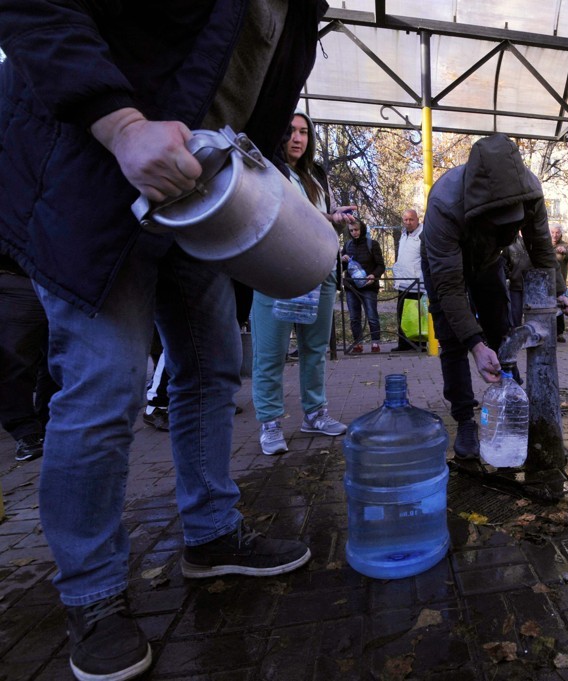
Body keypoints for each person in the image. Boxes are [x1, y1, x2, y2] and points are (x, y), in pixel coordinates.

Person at [0, 3, 328, 679]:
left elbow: (259, 112)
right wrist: (121, 125)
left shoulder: (300, 10)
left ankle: (211, 532)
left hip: (199, 189)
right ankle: (92, 593)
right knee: (107, 377)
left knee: (212, 363)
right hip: (87, 174)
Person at [420, 134, 568, 459]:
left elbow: (541, 247)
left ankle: (512, 393)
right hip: (446, 265)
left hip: (490, 260)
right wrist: (476, 346)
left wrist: (558, 292)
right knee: (452, 338)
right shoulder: (445, 206)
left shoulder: (529, 190)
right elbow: (449, 287)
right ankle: (464, 419)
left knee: (499, 324)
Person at [251, 112, 351, 457]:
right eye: (291, 131)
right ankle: (270, 423)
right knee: (271, 352)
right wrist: (329, 218)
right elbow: (281, 214)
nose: (297, 138)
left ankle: (315, 414)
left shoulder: (316, 174)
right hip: (276, 270)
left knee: (315, 348)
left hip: (321, 271)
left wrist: (340, 221)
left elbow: (322, 222)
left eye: (304, 132)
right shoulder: (267, 168)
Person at [0, 256, 58, 462]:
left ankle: (50, 422)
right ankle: (26, 431)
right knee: (14, 357)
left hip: (52, 274)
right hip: (17, 275)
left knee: (59, 354)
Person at [342, 219, 386, 353]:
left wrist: (373, 275)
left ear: (362, 229)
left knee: (372, 315)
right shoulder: (347, 245)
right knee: (354, 317)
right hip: (351, 287)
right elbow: (344, 268)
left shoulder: (372, 244)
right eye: (351, 231)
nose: (354, 233)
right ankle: (358, 343)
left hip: (369, 286)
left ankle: (375, 343)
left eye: (356, 230)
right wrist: (342, 260)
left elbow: (381, 265)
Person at [392, 209, 426, 352]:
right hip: (402, 282)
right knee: (402, 314)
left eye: (411, 219)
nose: (408, 222)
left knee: (416, 315)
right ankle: (404, 344)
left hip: (416, 282)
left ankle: (419, 343)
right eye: (405, 220)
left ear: (417, 219)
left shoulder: (423, 234)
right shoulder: (403, 234)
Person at [550, 225, 568, 342]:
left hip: (560, 282)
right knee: (548, 307)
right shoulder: (545, 244)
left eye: (557, 233)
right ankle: (548, 332)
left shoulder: (566, 246)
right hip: (546, 281)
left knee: (560, 307)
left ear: (561, 234)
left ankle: (559, 333)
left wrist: (566, 252)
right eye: (552, 232)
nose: (555, 235)